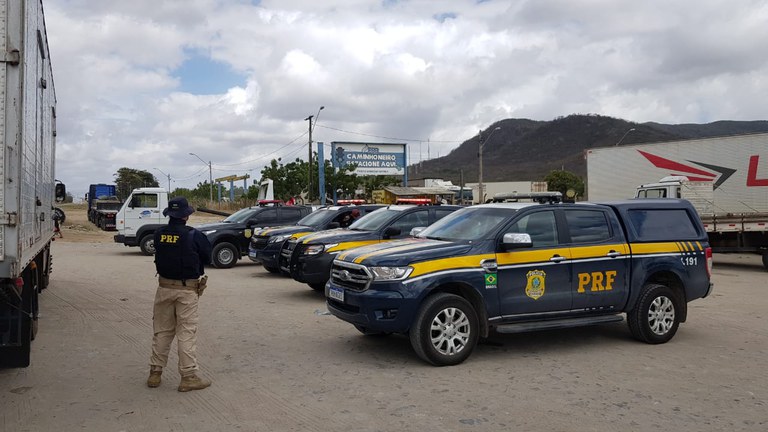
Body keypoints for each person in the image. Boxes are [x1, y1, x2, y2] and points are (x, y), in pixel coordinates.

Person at [147, 197, 213, 392]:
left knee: (162, 331)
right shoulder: (194, 235)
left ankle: (155, 373)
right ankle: (189, 376)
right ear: (186, 215)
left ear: (170, 214)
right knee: (186, 332)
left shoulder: (159, 234)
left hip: (164, 288)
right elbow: (207, 256)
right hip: (187, 290)